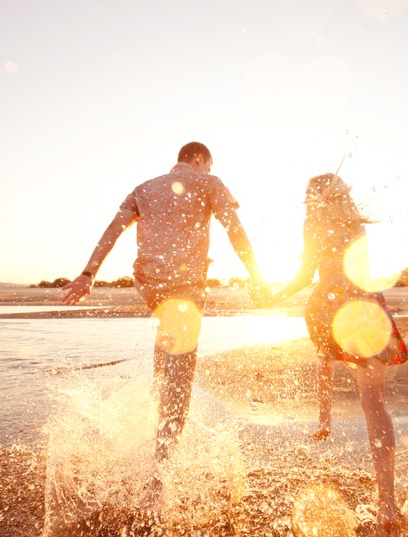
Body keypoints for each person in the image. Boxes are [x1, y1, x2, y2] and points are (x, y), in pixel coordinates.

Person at [62, 142, 270, 473]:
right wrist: (257, 275)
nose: (209, 172)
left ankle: (149, 430)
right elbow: (235, 229)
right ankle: (160, 475)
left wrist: (89, 274)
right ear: (200, 159)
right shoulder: (209, 183)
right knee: (181, 377)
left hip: (149, 285)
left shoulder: (143, 189)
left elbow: (113, 231)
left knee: (166, 352)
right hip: (184, 287)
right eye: (209, 166)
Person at [266, 172, 408, 537]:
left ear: (315, 196)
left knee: (325, 354)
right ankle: (388, 504)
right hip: (365, 306)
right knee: (374, 404)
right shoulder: (356, 223)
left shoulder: (312, 220)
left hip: (330, 305)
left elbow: (304, 273)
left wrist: (275, 295)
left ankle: (324, 418)